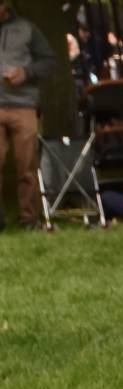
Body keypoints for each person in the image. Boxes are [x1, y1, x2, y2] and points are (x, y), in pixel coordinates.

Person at [0, 0, 55, 231]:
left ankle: (29, 219)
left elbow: (49, 61)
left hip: (24, 106)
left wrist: (26, 72)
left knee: (27, 166)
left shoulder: (27, 29)